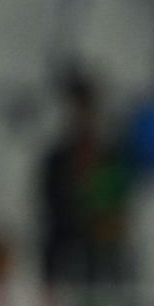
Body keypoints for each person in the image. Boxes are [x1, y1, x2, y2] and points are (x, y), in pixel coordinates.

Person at [40, 69, 132, 284]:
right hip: (66, 239)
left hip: (101, 244)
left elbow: (116, 203)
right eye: (77, 110)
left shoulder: (111, 159)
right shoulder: (56, 160)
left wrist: (104, 220)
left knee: (108, 250)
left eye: (88, 110)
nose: (83, 118)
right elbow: (52, 205)